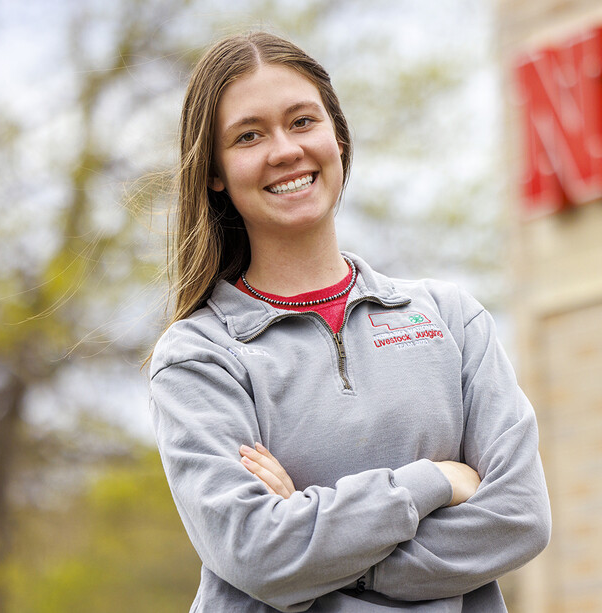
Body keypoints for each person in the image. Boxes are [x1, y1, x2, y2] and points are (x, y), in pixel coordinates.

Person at [148, 30, 551, 612]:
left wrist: (317, 543)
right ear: (214, 171)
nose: (284, 150)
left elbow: (518, 517)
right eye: (249, 135)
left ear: (337, 135)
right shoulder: (200, 356)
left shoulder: (451, 320)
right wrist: (434, 482)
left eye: (302, 121)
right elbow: (258, 553)